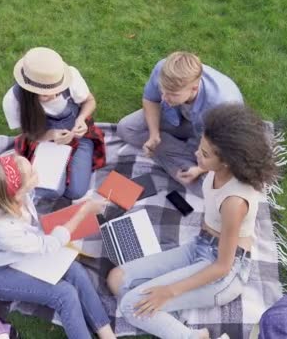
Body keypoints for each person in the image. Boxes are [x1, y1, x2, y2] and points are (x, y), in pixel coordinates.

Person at [107, 104, 276, 339]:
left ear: (227, 162)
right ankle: (182, 326)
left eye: (205, 154)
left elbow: (222, 266)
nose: (197, 154)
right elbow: (210, 167)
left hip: (224, 272)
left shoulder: (234, 202)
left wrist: (169, 291)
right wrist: (200, 169)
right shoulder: (220, 169)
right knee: (117, 278)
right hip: (200, 245)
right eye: (201, 147)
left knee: (130, 306)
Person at [0, 154, 116, 339]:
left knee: (75, 270)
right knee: (65, 295)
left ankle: (106, 333)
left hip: (16, 253)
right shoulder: (2, 229)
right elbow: (49, 244)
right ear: (17, 192)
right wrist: (83, 211)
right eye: (32, 173)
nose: (37, 172)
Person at [116, 51, 243, 185]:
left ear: (194, 89)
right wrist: (154, 135)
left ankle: (179, 156)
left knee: (206, 185)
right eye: (162, 90)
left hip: (211, 138)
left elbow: (228, 149)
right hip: (174, 117)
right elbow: (151, 100)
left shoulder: (222, 104)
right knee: (126, 128)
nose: (164, 97)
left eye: (172, 94)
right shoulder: (163, 69)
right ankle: (177, 154)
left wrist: (200, 169)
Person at [2, 47, 105, 200]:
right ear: (30, 90)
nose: (55, 95)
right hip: (44, 141)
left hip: (78, 137)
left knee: (75, 192)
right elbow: (27, 132)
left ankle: (66, 168)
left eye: (58, 88)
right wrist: (50, 135)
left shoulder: (71, 77)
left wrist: (81, 119)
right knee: (50, 191)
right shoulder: (13, 100)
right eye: (46, 93)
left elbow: (89, 101)